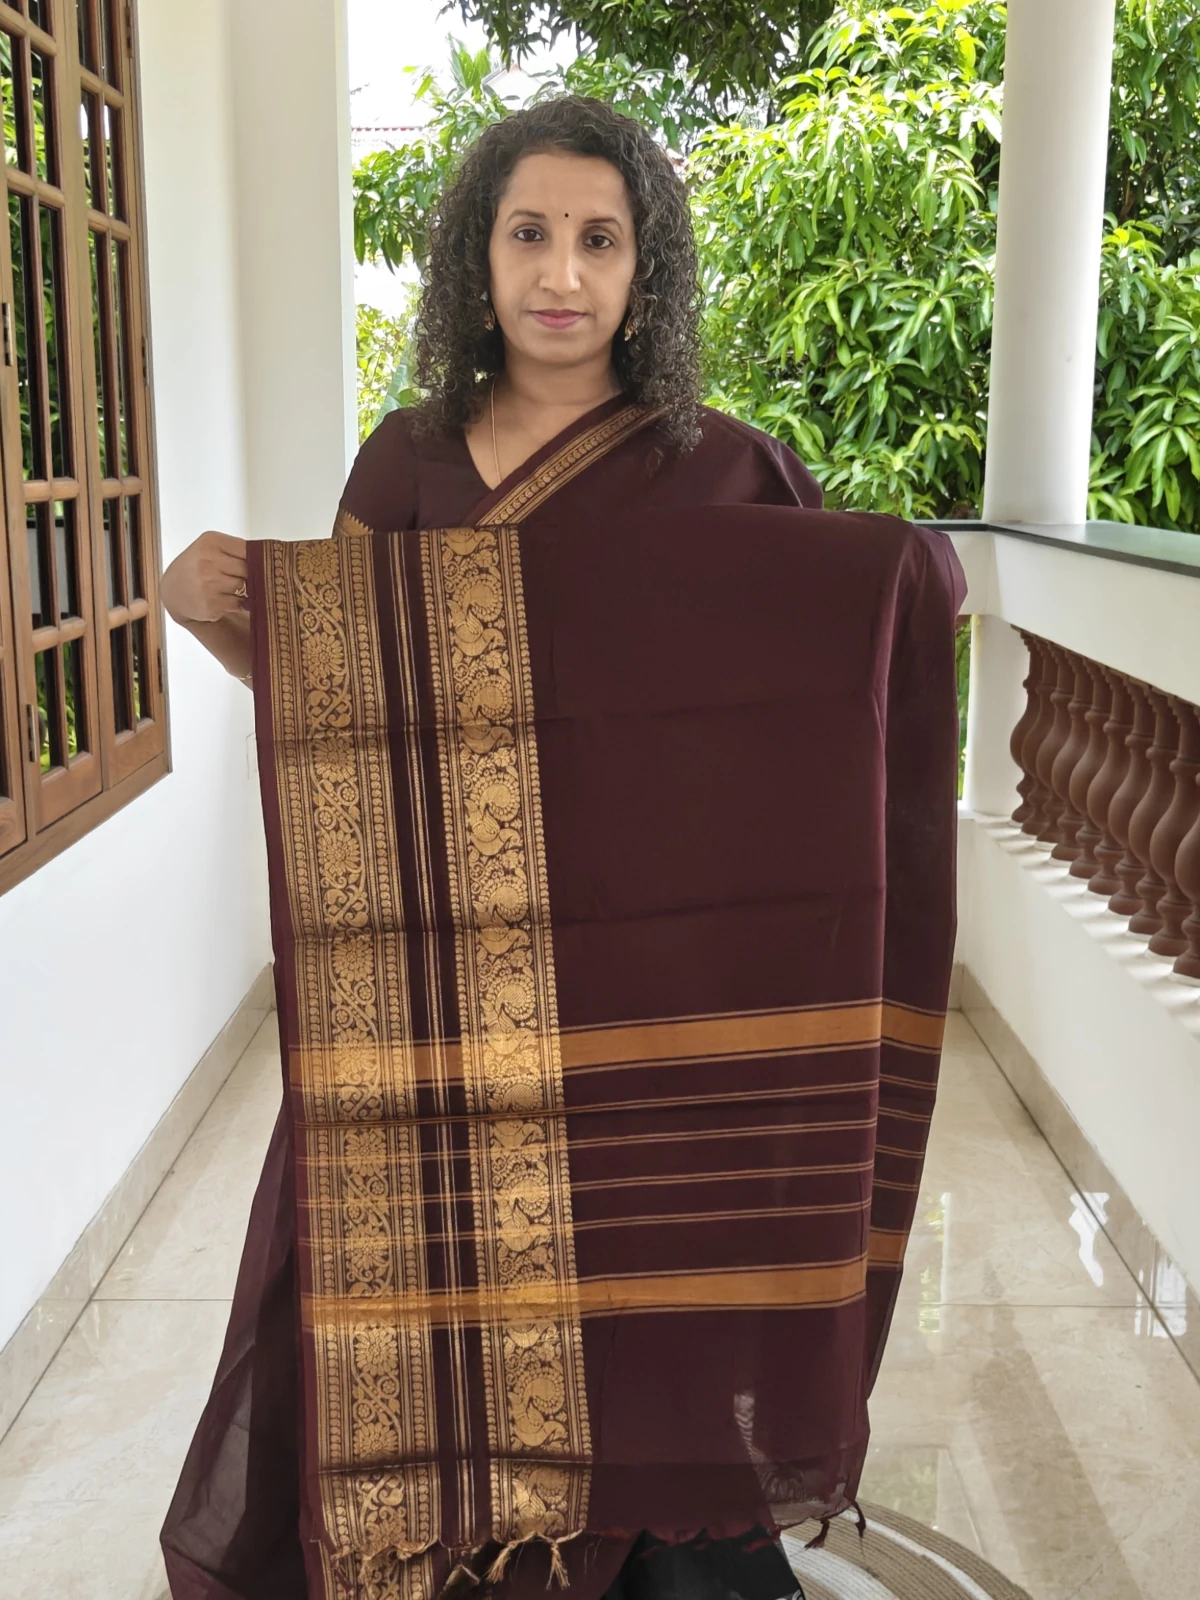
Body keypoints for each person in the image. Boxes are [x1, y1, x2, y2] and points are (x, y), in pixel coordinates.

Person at [160, 95, 964, 1600]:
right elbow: (350, 705)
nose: (562, 274)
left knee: (649, 1285)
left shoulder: (727, 469)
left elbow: (802, 702)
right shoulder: (407, 464)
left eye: (602, 240)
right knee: (429, 1278)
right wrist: (210, 615)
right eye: (529, 233)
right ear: (478, 256)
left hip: (660, 975)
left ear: (646, 272)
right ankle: (473, 1539)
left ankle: (665, 1542)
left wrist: (910, 582)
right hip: (453, 973)